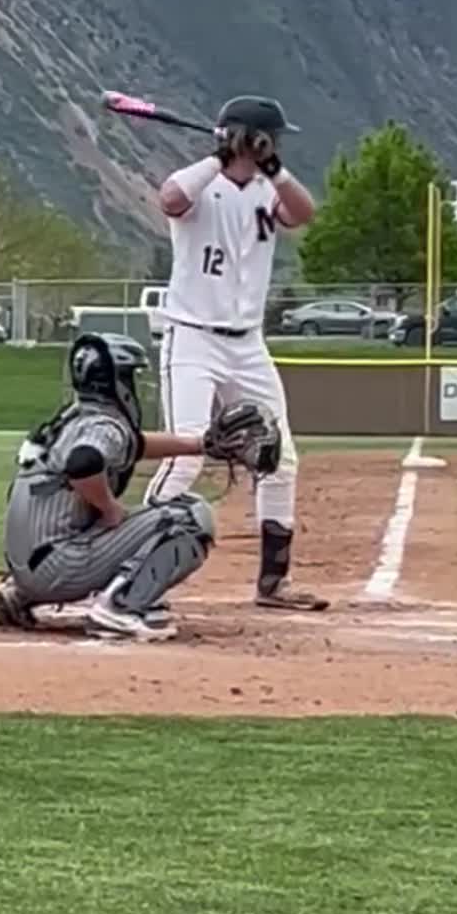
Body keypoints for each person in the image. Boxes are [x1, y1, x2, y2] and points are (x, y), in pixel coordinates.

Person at [145, 94, 327, 611]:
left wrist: (271, 166)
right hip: (193, 337)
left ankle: (273, 583)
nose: (276, 145)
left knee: (279, 457)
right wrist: (223, 154)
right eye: (269, 138)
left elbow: (304, 213)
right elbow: (170, 199)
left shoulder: (269, 187)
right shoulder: (202, 181)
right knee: (186, 454)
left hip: (247, 343)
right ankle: (134, 566)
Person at [0, 333, 279, 642]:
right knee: (191, 517)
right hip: (60, 565)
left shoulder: (73, 417)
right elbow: (82, 463)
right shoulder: (104, 425)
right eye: (131, 375)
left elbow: (133, 445)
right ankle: (120, 607)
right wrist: (109, 509)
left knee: (82, 514)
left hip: (29, 565)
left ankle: (16, 594)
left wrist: (201, 444)